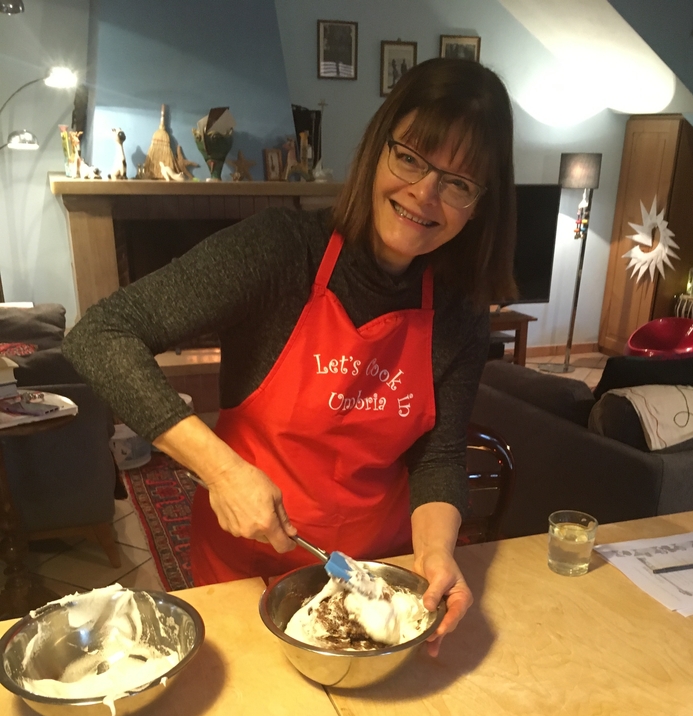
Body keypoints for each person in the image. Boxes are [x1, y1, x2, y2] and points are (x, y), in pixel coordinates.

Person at [63, 57, 516, 655]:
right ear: (378, 149)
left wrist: (434, 556)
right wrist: (221, 470)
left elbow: (441, 453)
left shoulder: (458, 308)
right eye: (410, 158)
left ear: (480, 203)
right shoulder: (280, 250)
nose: (424, 195)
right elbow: (100, 334)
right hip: (242, 570)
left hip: (373, 577)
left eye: (458, 183)